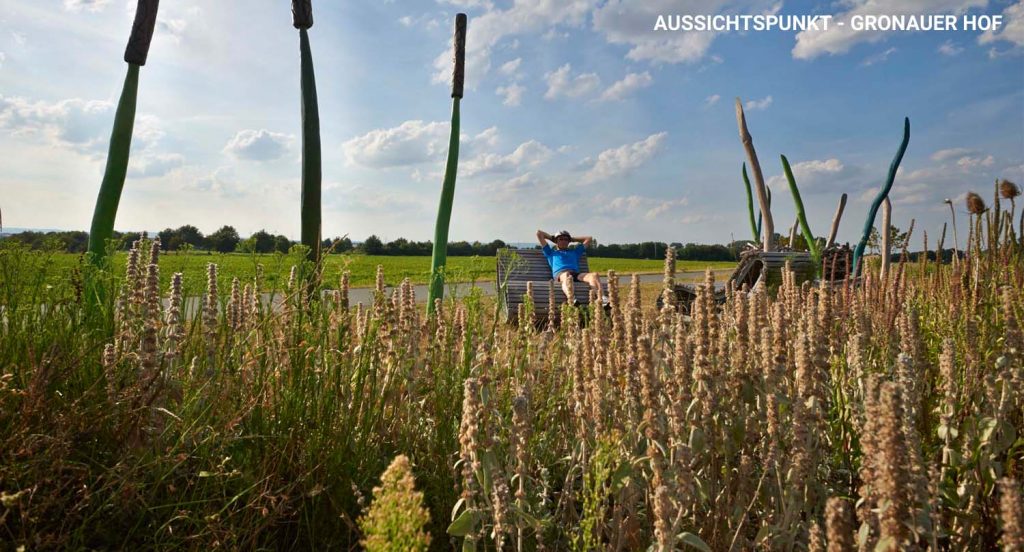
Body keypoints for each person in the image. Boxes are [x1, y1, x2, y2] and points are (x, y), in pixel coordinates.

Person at [536, 229, 603, 304]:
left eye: (566, 239)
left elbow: (589, 238)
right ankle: (571, 299)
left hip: (575, 274)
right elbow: (539, 233)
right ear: (556, 241)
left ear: (568, 241)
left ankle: (602, 299)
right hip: (561, 274)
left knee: (594, 275)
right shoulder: (550, 253)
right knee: (567, 276)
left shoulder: (575, 252)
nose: (563, 241)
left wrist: (572, 239)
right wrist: (552, 238)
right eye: (560, 239)